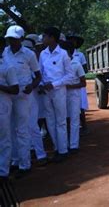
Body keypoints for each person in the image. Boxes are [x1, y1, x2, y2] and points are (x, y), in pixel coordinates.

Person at [3, 26, 42, 178]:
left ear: (20, 39)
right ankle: (14, 160)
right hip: (7, 94)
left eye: (14, 39)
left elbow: (38, 76)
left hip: (23, 95)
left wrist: (32, 86)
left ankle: (25, 164)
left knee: (22, 129)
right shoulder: (4, 53)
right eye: (9, 39)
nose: (11, 41)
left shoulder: (29, 54)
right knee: (9, 129)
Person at [39, 26, 74, 162]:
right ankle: (56, 148)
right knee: (50, 121)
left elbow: (70, 76)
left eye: (45, 36)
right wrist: (43, 84)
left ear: (52, 38)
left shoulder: (63, 54)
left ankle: (63, 151)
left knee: (60, 121)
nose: (43, 39)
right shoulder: (43, 54)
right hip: (46, 92)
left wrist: (54, 84)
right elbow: (40, 72)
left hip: (58, 91)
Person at [21, 34, 48, 167]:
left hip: (33, 94)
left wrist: (33, 85)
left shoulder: (32, 57)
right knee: (22, 128)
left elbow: (38, 76)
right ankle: (26, 154)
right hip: (18, 97)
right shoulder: (9, 56)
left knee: (33, 125)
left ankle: (39, 153)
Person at [0, 37, 19, 183]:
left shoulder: (7, 67)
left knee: (4, 138)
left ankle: (3, 172)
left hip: (3, 106)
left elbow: (15, 89)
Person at [61, 41, 86, 153]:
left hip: (74, 94)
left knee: (74, 119)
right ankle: (64, 145)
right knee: (63, 120)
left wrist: (70, 86)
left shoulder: (76, 64)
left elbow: (83, 83)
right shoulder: (60, 65)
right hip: (62, 95)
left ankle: (74, 145)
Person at [67, 35, 89, 135]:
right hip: (67, 84)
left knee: (81, 105)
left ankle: (84, 126)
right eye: (71, 40)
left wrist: (76, 72)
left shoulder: (80, 55)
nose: (72, 42)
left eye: (74, 41)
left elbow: (85, 69)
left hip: (78, 83)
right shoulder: (64, 55)